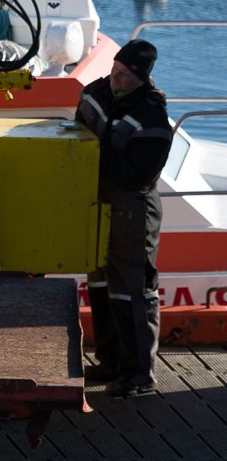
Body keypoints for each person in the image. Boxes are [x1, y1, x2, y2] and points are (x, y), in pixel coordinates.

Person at [75, 38, 173, 398]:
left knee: (134, 289)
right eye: (114, 69)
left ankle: (140, 374)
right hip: (99, 202)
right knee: (100, 281)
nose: (114, 77)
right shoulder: (95, 92)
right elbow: (77, 129)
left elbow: (135, 176)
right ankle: (111, 360)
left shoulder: (152, 118)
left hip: (133, 209)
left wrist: (95, 153)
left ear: (140, 78)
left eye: (123, 74)